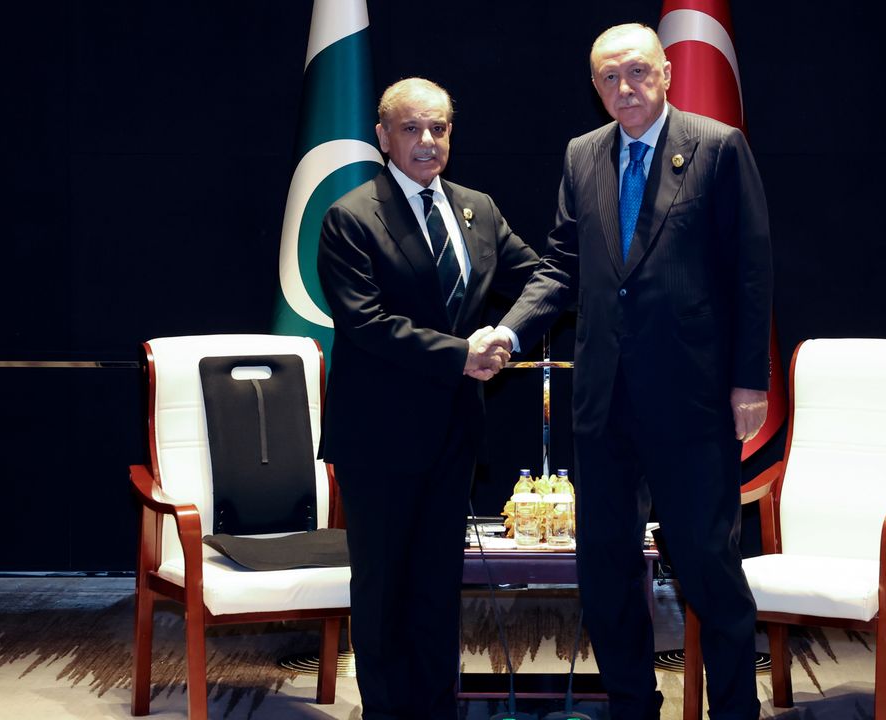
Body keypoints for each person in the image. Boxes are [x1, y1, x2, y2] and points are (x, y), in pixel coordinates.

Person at [479, 23, 772, 719]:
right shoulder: (583, 154)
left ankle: (735, 711)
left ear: (666, 72)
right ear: (595, 86)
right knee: (606, 573)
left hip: (693, 400)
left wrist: (749, 380)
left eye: (637, 71)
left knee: (707, 568)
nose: (625, 87)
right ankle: (632, 707)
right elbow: (562, 265)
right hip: (604, 401)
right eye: (609, 77)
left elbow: (751, 270)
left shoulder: (718, 146)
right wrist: (509, 330)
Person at [317, 77, 539, 720]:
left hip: (454, 434)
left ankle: (438, 709)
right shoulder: (351, 216)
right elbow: (365, 323)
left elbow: (540, 279)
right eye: (411, 128)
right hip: (379, 439)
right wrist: (461, 354)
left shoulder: (478, 209)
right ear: (383, 137)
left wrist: (506, 334)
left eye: (438, 128)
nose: (426, 140)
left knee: (439, 589)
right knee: (385, 589)